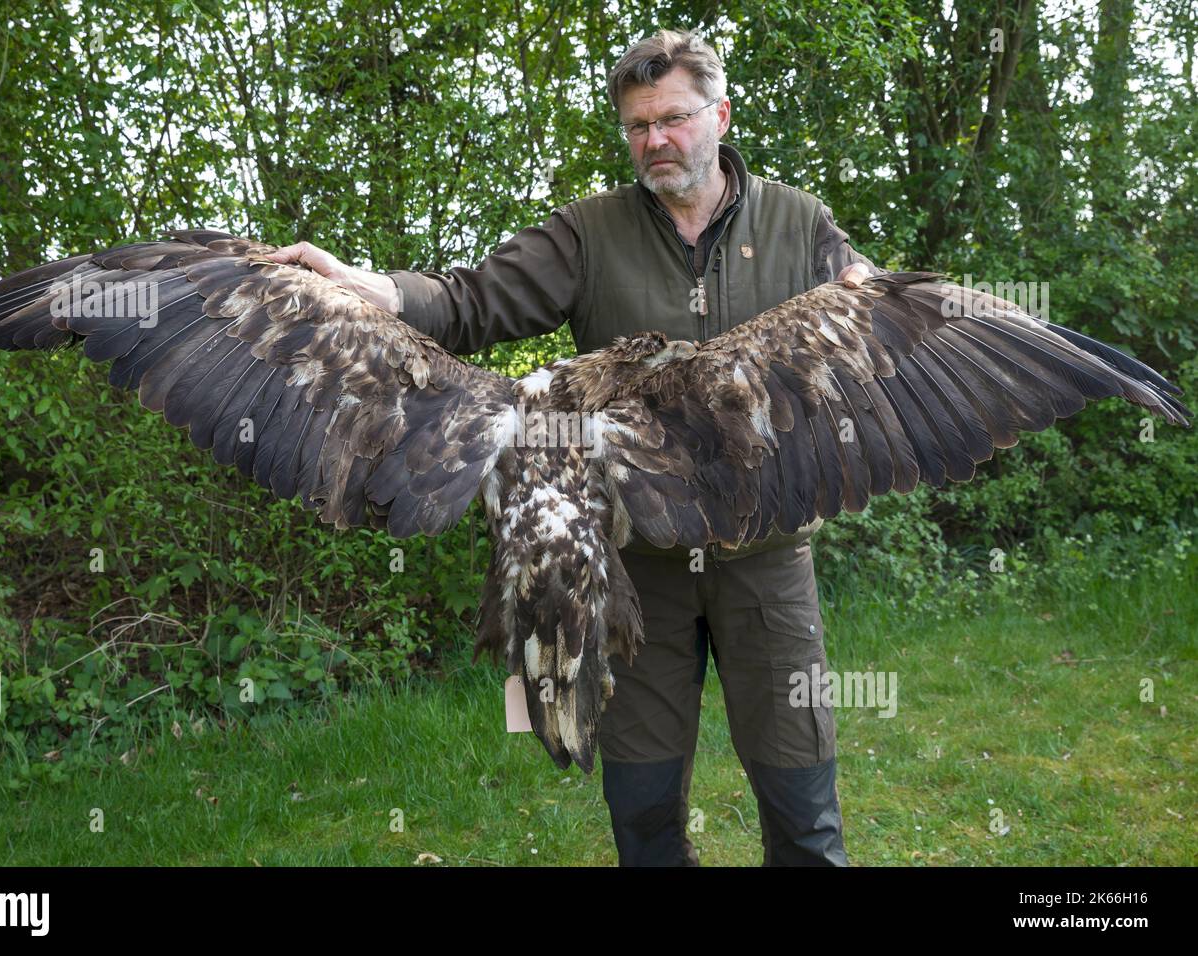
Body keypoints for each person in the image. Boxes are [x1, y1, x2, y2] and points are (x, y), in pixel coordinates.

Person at [266, 28, 883, 867]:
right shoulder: (588, 233)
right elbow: (472, 302)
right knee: (643, 813)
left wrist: (873, 293)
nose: (654, 140)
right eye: (636, 126)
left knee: (803, 810)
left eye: (671, 119)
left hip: (765, 560)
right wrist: (373, 290)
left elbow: (869, 309)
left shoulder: (798, 223)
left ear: (720, 115)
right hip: (635, 574)